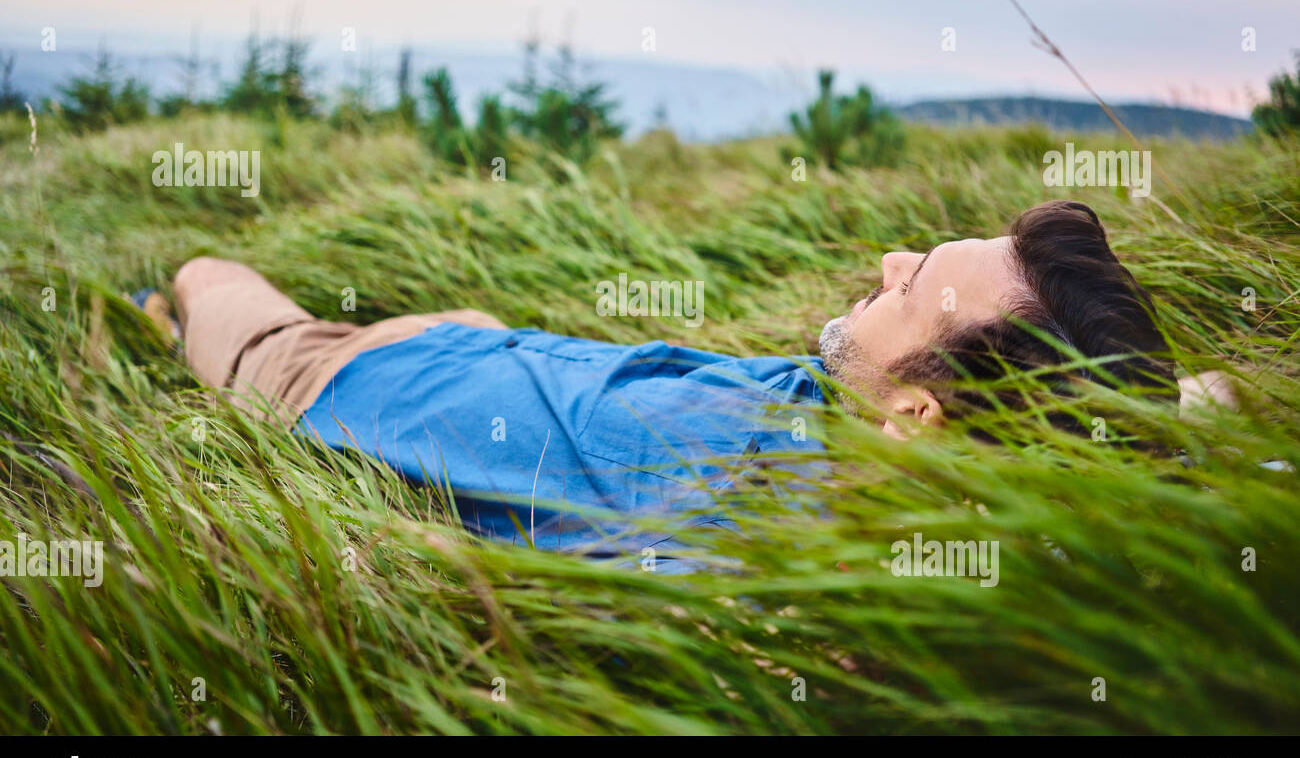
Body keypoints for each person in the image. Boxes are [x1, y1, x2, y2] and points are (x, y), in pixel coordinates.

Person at [153, 199, 1175, 552]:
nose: (886, 265)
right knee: (466, 316)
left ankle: (175, 325)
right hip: (482, 341)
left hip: (323, 380)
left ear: (918, 410)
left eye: (911, 291)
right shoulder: (849, 416)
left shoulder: (769, 542)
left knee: (207, 276)